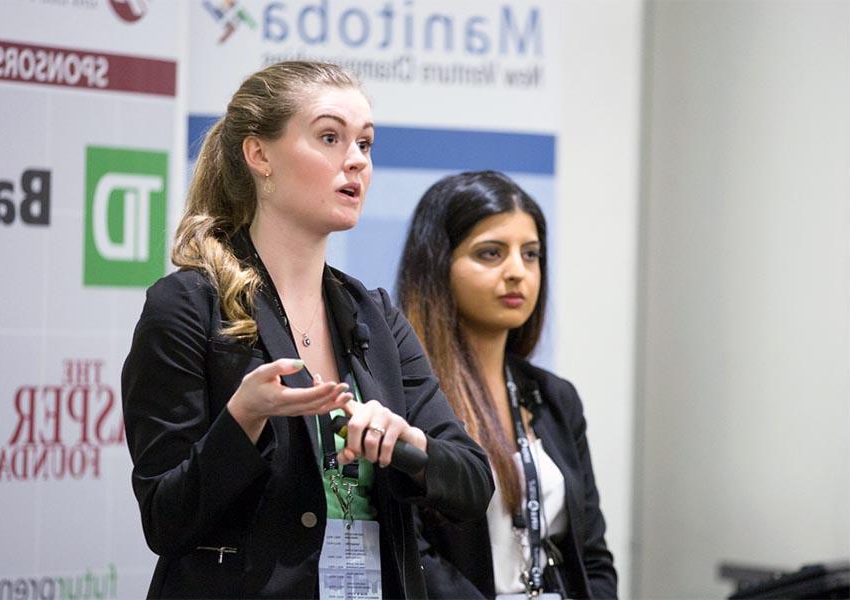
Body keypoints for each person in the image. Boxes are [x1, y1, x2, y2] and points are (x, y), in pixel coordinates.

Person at [121, 61, 493, 599]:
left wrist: (406, 442)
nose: (356, 162)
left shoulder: (376, 315)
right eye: (329, 137)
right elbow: (165, 518)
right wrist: (242, 419)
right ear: (260, 155)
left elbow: (472, 481)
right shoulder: (186, 307)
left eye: (365, 144)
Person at [396, 171, 617, 599]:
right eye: (491, 253)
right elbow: (412, 554)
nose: (518, 272)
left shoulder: (555, 398)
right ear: (438, 264)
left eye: (530, 254)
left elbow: (592, 557)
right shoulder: (405, 395)